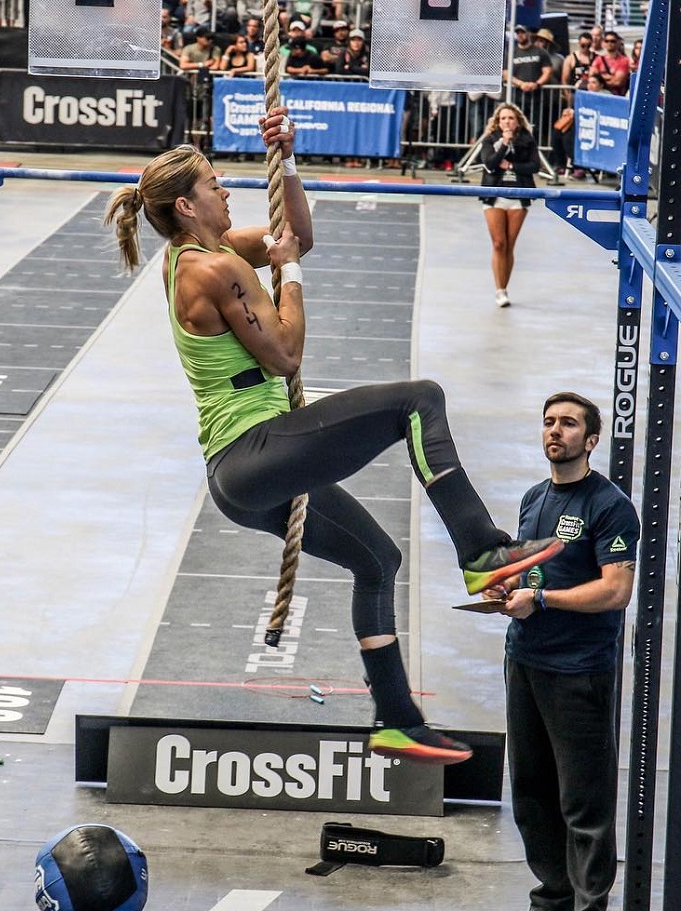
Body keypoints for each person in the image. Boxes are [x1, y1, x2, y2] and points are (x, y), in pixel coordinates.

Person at [103, 107, 563, 766]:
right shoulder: (210, 268)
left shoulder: (205, 254)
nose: (228, 189)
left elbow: (298, 234)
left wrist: (286, 161)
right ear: (187, 204)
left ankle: (396, 720)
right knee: (419, 399)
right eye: (214, 182)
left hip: (246, 475)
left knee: (377, 561)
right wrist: (287, 274)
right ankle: (481, 549)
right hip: (254, 452)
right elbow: (285, 354)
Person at [482, 392, 640, 911]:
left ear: (590, 440)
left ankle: (590, 904)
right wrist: (503, 589)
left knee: (583, 804)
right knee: (530, 795)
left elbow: (616, 591)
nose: (555, 431)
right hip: (525, 663)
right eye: (549, 422)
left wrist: (543, 600)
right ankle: (554, 897)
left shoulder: (610, 507)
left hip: (578, 674)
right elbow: (530, 570)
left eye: (569, 424)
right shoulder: (534, 498)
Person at [479, 102, 539, 308]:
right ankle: (498, 289)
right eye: (503, 118)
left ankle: (504, 287)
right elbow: (490, 164)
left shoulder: (527, 140)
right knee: (498, 243)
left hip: (518, 194)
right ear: (498, 121)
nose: (507, 121)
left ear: (518, 121)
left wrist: (513, 165)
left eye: (511, 118)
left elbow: (534, 166)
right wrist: (504, 144)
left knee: (509, 245)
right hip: (495, 194)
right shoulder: (490, 139)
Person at [504, 25, 553, 128]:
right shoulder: (512, 53)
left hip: (536, 97)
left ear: (529, 34)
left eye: (523, 32)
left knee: (534, 127)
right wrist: (520, 84)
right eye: (518, 33)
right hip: (517, 97)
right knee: (516, 125)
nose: (520, 35)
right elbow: (505, 73)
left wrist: (536, 84)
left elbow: (547, 71)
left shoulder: (540, 52)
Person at [589, 30, 630, 95]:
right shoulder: (599, 59)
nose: (609, 43)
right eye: (606, 41)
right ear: (603, 43)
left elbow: (617, 82)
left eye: (612, 41)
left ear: (618, 42)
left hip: (615, 96)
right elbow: (591, 76)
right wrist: (610, 77)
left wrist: (600, 79)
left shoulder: (624, 61)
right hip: (599, 94)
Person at [561, 31, 596, 104]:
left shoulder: (596, 58)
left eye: (588, 45)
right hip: (575, 93)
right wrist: (568, 96)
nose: (586, 48)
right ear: (579, 43)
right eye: (583, 45)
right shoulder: (571, 58)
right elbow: (564, 80)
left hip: (591, 93)